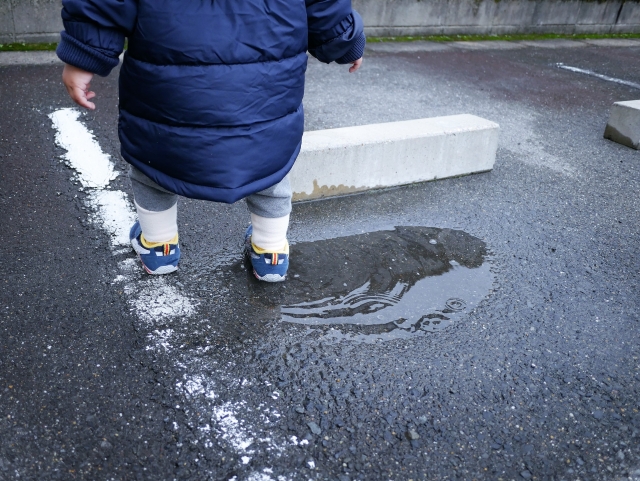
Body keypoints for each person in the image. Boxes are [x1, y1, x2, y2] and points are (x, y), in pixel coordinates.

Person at [57, 0, 365, 281]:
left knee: (153, 169)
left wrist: (84, 58)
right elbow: (327, 7)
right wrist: (347, 43)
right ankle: (271, 252)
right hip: (264, 93)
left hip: (170, 89)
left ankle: (158, 246)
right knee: (269, 170)